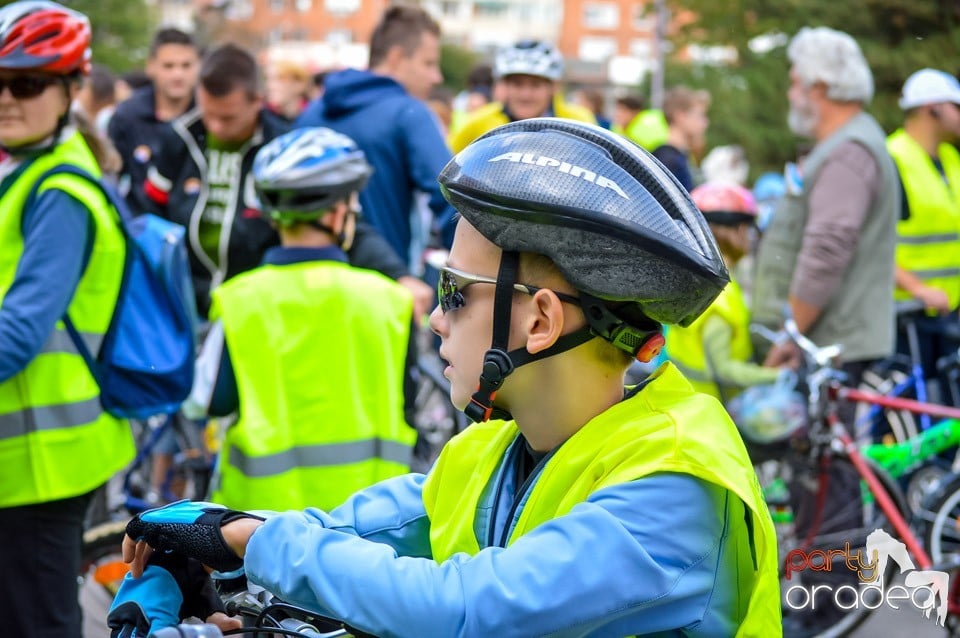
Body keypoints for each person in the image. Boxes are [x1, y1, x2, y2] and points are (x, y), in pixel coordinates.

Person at [110, 119, 781, 637]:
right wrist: (218, 537)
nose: (434, 319)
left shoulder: (676, 486)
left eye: (455, 292)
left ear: (540, 321)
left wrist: (251, 541)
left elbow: (468, 610)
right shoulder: (503, 449)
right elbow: (355, 532)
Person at [751, 27, 899, 634]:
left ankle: (826, 612)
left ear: (819, 86)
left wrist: (793, 330)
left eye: (793, 79)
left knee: (827, 492)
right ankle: (820, 600)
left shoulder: (849, 151)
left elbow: (828, 247)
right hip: (829, 343)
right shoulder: (845, 146)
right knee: (820, 484)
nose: (790, 92)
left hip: (830, 346)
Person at [185, 127, 417, 512]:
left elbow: (208, 401)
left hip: (262, 528)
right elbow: (406, 404)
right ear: (338, 211)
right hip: (369, 523)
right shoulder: (389, 301)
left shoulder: (241, 299)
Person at [0, 3, 136, 636]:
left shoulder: (59, 192)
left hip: (40, 461)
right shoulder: (26, 173)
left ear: (70, 89)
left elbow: (17, 333)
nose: (7, 99)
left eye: (26, 84)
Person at [142, 43, 418, 319]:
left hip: (255, 308)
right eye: (208, 113)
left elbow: (340, 221)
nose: (214, 126)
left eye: (227, 118)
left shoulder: (283, 150)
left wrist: (398, 274)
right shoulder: (178, 138)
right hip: (180, 302)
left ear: (257, 101)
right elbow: (148, 217)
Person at [295, 5, 456, 275]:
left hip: (304, 279)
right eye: (428, 63)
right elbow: (453, 196)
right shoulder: (409, 113)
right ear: (396, 58)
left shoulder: (311, 112)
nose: (436, 76)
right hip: (385, 285)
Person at [667, 182, 789, 401]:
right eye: (750, 228)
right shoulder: (716, 298)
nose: (751, 237)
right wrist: (776, 376)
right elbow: (723, 369)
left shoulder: (698, 280)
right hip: (711, 411)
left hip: (690, 404)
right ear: (738, 230)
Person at [887, 68, 960, 404]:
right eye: (955, 107)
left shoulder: (951, 159)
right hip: (907, 319)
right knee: (919, 413)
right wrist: (918, 288)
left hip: (950, 315)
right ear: (932, 108)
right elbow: (869, 245)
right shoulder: (892, 159)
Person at [108, 27, 199, 214]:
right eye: (169, 66)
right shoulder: (127, 116)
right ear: (151, 66)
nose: (178, 75)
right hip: (142, 230)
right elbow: (110, 178)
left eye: (186, 65)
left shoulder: (209, 116)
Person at [448, 40, 595, 153]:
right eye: (517, 84)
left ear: (553, 87)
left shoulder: (580, 123)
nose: (525, 94)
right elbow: (444, 166)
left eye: (535, 85)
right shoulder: (478, 121)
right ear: (505, 85)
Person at [652, 85, 711, 192]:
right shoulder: (668, 161)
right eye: (699, 115)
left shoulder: (680, 156)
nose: (705, 123)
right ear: (680, 116)